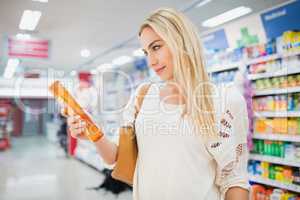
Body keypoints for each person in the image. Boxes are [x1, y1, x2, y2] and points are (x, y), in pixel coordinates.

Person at [65, 8, 249, 200]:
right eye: (146, 52)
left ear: (181, 41)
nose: (151, 61)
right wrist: (93, 133)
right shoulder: (143, 97)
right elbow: (116, 158)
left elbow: (234, 180)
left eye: (156, 47)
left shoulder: (224, 100)